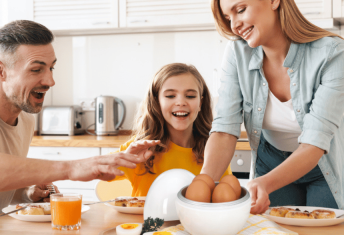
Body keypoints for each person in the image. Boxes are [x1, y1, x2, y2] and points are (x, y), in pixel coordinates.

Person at [0, 20, 159, 221]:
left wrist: (27, 192)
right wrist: (71, 167)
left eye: (51, 68)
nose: (50, 81)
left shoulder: (25, 120)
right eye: (36, 70)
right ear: (0, 70)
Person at [200, 0, 344, 214]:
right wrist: (202, 185)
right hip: (270, 161)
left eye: (240, 10)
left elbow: (315, 142)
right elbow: (224, 129)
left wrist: (264, 184)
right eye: (229, 18)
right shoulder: (236, 53)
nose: (234, 25)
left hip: (323, 165)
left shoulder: (332, 53)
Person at [110, 63, 232, 196]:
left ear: (200, 104)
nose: (181, 102)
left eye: (190, 96)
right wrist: (125, 159)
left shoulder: (215, 150)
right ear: (157, 102)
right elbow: (99, 171)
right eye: (170, 96)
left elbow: (224, 195)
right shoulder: (140, 148)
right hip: (144, 218)